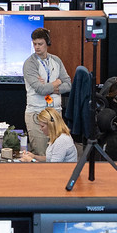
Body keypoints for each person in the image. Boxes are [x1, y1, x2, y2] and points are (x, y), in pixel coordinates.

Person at [21, 27, 70, 158]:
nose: (37, 47)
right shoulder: (29, 64)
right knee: (41, 154)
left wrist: (48, 86)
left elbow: (68, 85)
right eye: (34, 44)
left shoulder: (56, 61)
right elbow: (40, 90)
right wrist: (56, 82)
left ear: (47, 43)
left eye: (40, 44)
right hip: (37, 114)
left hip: (55, 113)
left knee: (57, 154)